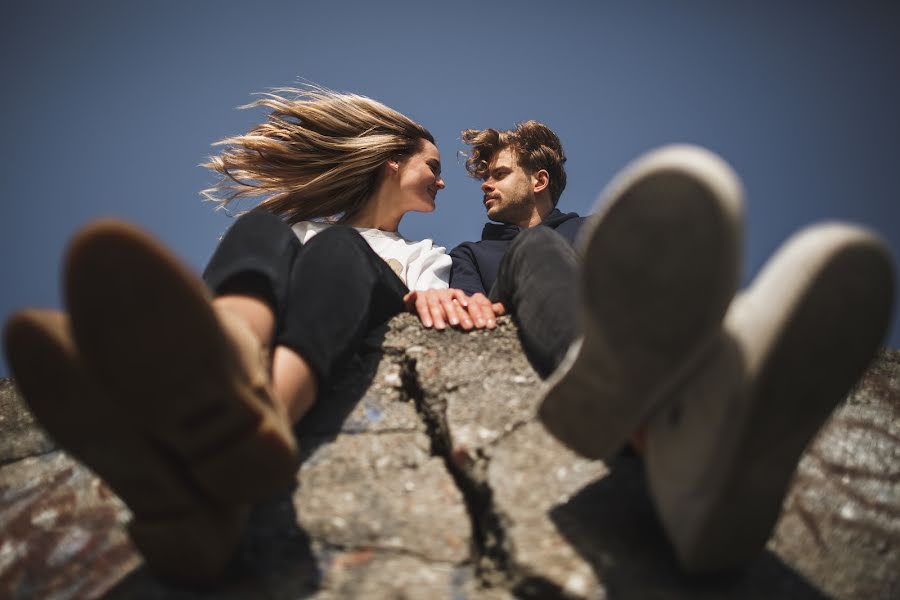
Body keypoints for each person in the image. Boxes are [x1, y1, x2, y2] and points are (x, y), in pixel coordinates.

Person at [2, 87, 487, 581]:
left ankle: (267, 412)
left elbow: (429, 296)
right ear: (391, 162)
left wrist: (439, 296)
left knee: (339, 246)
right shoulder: (299, 232)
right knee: (261, 230)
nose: (442, 181)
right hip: (274, 327)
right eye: (433, 164)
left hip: (368, 307)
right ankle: (226, 379)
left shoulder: (422, 253)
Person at [450, 122, 895, 572]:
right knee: (536, 245)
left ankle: (701, 438)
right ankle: (620, 382)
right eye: (485, 175)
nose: (485, 183)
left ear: (539, 180)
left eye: (499, 173)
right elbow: (468, 307)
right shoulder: (472, 254)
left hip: (649, 348)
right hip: (538, 304)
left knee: (659, 266)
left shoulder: (598, 231)